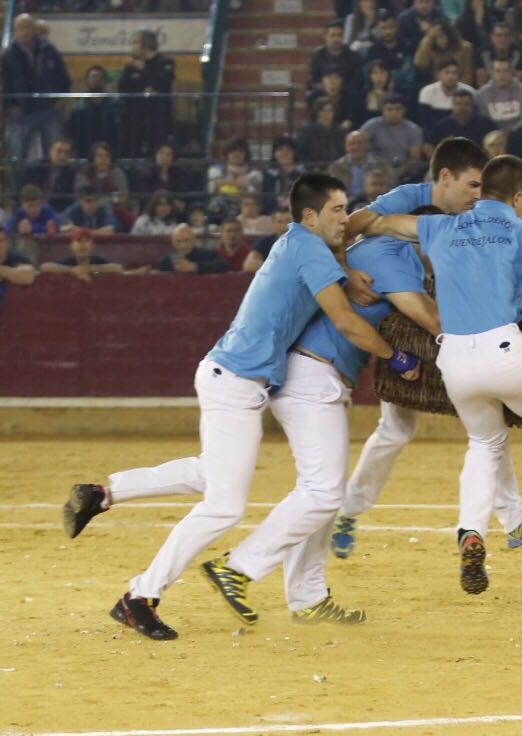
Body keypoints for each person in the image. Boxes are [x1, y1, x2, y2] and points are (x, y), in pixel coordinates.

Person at [65, 173, 419, 639]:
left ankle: (104, 493)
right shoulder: (310, 250)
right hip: (236, 382)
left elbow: (335, 266)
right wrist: (396, 356)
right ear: (310, 216)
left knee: (210, 473)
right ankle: (140, 596)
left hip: (231, 376)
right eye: (337, 210)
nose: (345, 218)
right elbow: (346, 323)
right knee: (225, 506)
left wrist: (346, 270)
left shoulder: (299, 243)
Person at [357, 154, 522, 594]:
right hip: (505, 351)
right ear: (519, 197)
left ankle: (471, 532)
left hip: (453, 359)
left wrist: (346, 252)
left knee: (485, 443)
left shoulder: (440, 227)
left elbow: (378, 223)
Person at [2, 13, 71, 161]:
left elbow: (63, 76)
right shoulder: (8, 55)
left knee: (55, 155)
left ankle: (53, 177)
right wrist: (11, 104)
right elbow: (5, 83)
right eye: (20, 28)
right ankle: (20, 177)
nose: (24, 32)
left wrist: (62, 98)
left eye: (27, 27)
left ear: (34, 29)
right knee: (18, 158)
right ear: (15, 31)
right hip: (21, 113)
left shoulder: (49, 49)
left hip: (49, 110)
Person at [118, 30, 175, 158]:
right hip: (136, 117)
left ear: (146, 44)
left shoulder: (165, 62)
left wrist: (143, 70)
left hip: (158, 118)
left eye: (135, 42)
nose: (132, 46)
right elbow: (122, 88)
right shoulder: (131, 65)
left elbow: (163, 84)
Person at [360, 95, 425, 168]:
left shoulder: (414, 129)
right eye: (389, 109)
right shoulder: (372, 125)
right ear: (383, 110)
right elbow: (358, 145)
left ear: (404, 110)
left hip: (404, 168)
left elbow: (415, 158)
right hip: (375, 167)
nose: (394, 113)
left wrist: (398, 172)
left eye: (397, 109)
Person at [39, 229, 123, 283]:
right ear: (71, 246)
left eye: (87, 241)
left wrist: (91, 268)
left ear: (92, 246)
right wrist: (72, 270)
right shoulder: (68, 261)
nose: (83, 244)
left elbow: (118, 268)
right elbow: (44, 267)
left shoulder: (97, 260)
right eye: (79, 241)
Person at [476, 58, 522, 130]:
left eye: (505, 71)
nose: (502, 75)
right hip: (492, 133)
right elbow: (484, 121)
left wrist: (510, 132)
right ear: (492, 73)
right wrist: (498, 133)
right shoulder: (482, 93)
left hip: (519, 132)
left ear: (512, 73)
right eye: (498, 71)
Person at [154, 224, 230, 274]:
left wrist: (193, 267)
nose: (183, 245)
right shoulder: (166, 261)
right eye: (178, 241)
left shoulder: (208, 254)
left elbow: (223, 265)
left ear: (194, 240)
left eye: (187, 240)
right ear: (173, 243)